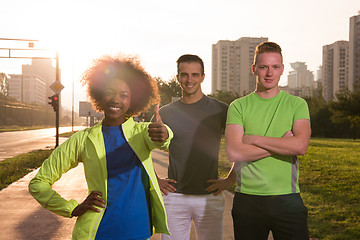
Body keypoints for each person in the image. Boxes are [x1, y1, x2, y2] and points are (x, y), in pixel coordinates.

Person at [28, 55, 173, 240]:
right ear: (99, 94)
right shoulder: (82, 140)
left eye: (124, 95)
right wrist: (71, 208)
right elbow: (38, 183)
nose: (115, 99)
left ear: (133, 100)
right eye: (109, 92)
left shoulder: (142, 133)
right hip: (98, 233)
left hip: (139, 231)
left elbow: (162, 136)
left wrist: (164, 133)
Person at [225, 41, 311, 240]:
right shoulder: (238, 106)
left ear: (282, 69)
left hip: (287, 199)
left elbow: (300, 146)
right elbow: (235, 152)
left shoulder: (297, 104)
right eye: (263, 67)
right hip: (248, 201)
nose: (269, 73)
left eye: (275, 67)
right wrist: (281, 144)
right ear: (254, 69)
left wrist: (253, 139)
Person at [150, 54, 236, 240]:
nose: (190, 80)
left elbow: (242, 145)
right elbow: (142, 150)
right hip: (174, 197)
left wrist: (230, 180)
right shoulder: (165, 113)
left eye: (195, 75)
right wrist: (155, 179)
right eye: (184, 74)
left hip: (209, 196)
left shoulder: (221, 110)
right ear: (177, 77)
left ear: (203, 77)